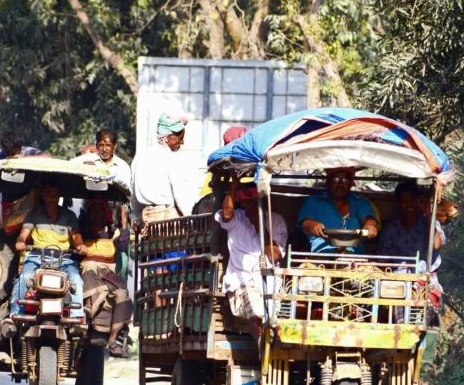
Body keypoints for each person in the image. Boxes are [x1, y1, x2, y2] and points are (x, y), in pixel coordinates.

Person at [216, 177, 288, 338]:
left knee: (275, 320)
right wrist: (234, 182)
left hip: (271, 285)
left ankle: (269, 351)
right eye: (246, 202)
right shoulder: (237, 219)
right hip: (241, 282)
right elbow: (226, 213)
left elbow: (275, 256)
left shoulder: (275, 221)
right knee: (258, 314)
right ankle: (263, 353)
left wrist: (260, 224)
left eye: (254, 201)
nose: (250, 206)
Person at [8, 184, 88, 324]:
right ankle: (16, 316)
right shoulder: (33, 214)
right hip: (37, 257)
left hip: (64, 259)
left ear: (59, 197)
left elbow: (76, 236)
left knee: (76, 280)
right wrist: (20, 242)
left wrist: (80, 245)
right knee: (25, 277)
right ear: (43, 196)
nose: (52, 198)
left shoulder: (69, 215)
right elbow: (23, 235)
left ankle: (76, 319)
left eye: (55, 195)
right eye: (48, 195)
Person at [74, 128, 132, 279]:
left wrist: (123, 219)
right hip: (90, 212)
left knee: (121, 253)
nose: (105, 149)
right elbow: (69, 167)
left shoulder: (122, 167)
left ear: (115, 146)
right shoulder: (87, 160)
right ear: (96, 145)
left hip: (115, 216)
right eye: (101, 145)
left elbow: (127, 193)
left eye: (108, 145)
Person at [378, 180, 446, 308]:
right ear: (398, 204)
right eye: (404, 201)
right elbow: (382, 261)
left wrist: (429, 215)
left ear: (418, 202)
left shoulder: (430, 224)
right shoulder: (391, 230)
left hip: (426, 283)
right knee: (401, 316)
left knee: (429, 316)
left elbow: (437, 244)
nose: (408, 204)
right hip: (399, 285)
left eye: (412, 200)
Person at [79, 198, 133, 356]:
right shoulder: (82, 231)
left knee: (122, 293)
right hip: (88, 271)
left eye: (100, 211)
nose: (97, 215)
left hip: (107, 272)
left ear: (106, 214)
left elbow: (123, 245)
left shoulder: (112, 232)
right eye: (93, 211)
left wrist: (124, 222)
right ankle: (89, 310)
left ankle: (113, 341)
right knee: (89, 268)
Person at [131, 113, 200, 228]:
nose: (182, 142)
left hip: (146, 222)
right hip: (167, 222)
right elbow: (181, 197)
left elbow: (133, 195)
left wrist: (137, 220)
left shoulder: (140, 157)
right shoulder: (171, 159)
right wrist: (192, 221)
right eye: (180, 138)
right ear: (168, 137)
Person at [297, 167, 379, 254]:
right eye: (336, 179)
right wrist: (312, 225)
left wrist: (370, 225)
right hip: (323, 258)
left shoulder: (359, 202)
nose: (340, 183)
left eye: (345, 180)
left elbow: (369, 218)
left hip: (355, 259)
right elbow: (305, 224)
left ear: (351, 183)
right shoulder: (314, 201)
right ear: (328, 181)